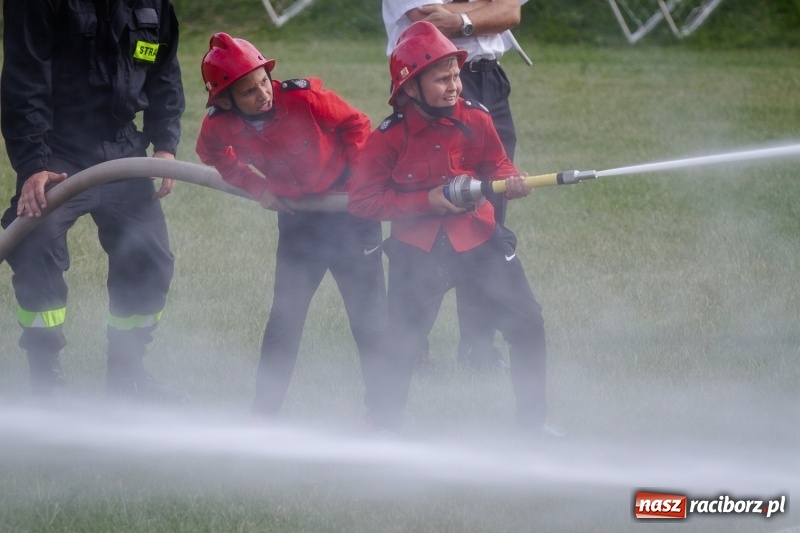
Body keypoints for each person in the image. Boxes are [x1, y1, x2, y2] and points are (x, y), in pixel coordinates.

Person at [348, 21, 561, 436]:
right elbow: (362, 201)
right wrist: (421, 202)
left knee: (529, 324)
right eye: (442, 78)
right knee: (401, 344)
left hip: (479, 239)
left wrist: (511, 177)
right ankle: (384, 428)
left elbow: (496, 164)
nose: (455, 86)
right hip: (418, 249)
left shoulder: (477, 119)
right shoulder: (388, 138)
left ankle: (535, 425)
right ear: (410, 86)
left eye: (456, 76)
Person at [1, 0, 187, 401]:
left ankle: (128, 373)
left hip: (123, 146)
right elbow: (23, 80)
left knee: (149, 257)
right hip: (57, 153)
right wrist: (34, 164)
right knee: (35, 245)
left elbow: (163, 69)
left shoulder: (152, 3)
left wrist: (165, 143)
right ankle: (45, 378)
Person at [195, 34, 386, 418]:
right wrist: (255, 185)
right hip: (299, 222)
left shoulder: (303, 98)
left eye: (263, 81)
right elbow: (210, 153)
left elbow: (357, 123)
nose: (262, 94)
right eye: (248, 92)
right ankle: (263, 416)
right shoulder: (220, 125)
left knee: (368, 320)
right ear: (225, 100)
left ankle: (384, 415)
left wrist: (358, 179)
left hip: (349, 216)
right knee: (285, 319)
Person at [383, 0, 527, 370]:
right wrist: (482, 10)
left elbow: (511, 12)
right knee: (428, 218)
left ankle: (478, 347)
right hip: (425, 78)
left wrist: (462, 15)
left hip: (488, 78)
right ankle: (409, 346)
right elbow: (430, 22)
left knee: (485, 218)